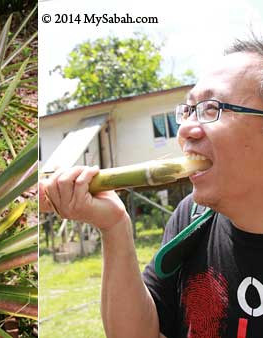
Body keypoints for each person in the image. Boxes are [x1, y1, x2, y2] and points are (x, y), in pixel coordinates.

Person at [39, 37, 263, 338]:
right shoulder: (193, 217)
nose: (184, 130)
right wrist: (114, 225)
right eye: (189, 110)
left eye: (212, 109)